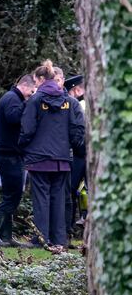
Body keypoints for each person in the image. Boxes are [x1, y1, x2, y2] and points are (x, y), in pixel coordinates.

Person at [19, 60, 85, 252]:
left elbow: (28, 129)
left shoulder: (35, 101)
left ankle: (41, 238)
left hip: (39, 159)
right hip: (62, 160)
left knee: (41, 199)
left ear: (40, 79)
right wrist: (74, 150)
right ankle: (59, 239)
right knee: (58, 199)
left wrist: (22, 147)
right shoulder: (71, 102)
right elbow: (77, 131)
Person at [0, 74, 37, 247]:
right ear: (24, 86)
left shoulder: (12, 98)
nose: (31, 95)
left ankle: (5, 236)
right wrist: (29, 103)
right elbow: (14, 118)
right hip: (8, 155)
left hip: (10, 154)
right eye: (31, 92)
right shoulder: (12, 99)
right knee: (12, 195)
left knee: (11, 194)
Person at [64, 74, 87, 233]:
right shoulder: (75, 105)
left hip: (82, 153)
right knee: (71, 190)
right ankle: (69, 226)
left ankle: (72, 225)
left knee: (76, 191)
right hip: (78, 153)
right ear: (76, 88)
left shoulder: (80, 104)